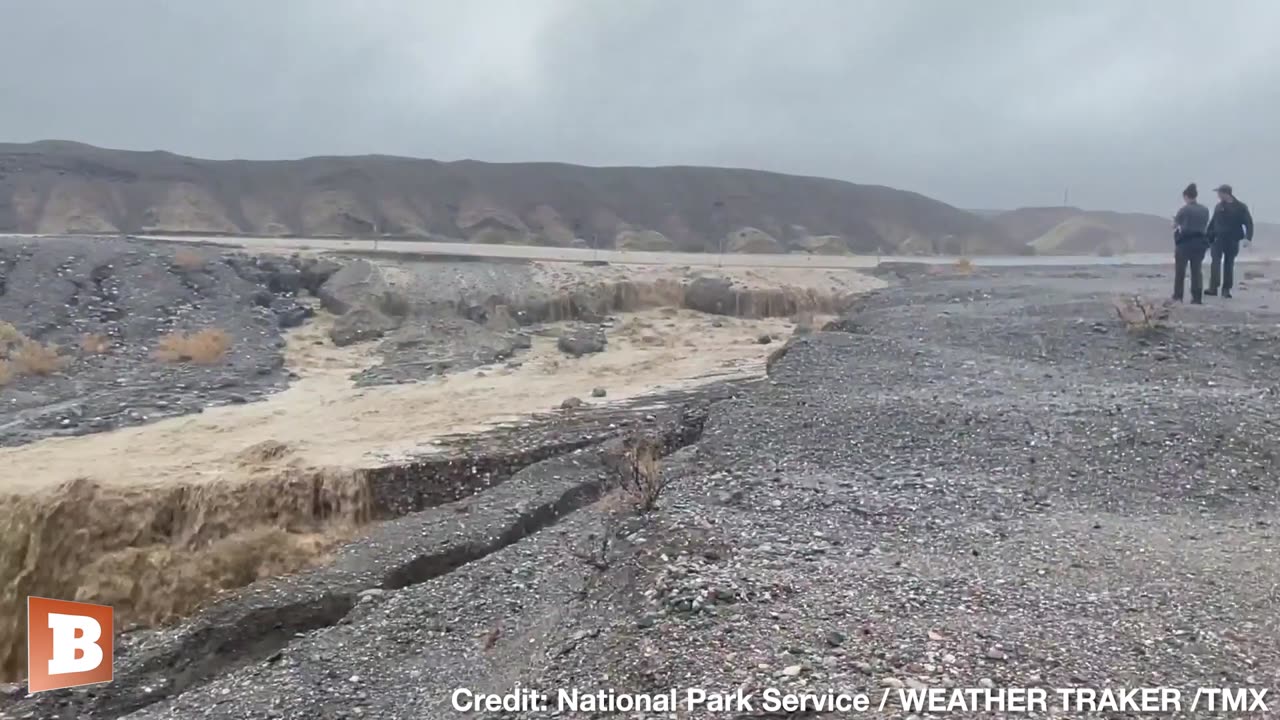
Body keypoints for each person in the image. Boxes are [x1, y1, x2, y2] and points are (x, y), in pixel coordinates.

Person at [1206, 184, 1255, 298]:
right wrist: (1207, 237)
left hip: (1232, 240)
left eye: (1219, 193)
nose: (1218, 195)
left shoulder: (1240, 207)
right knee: (1215, 263)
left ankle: (1226, 289)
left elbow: (1248, 223)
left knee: (1229, 264)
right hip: (1217, 239)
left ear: (1225, 193)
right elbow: (1213, 223)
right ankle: (1213, 288)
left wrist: (1248, 238)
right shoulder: (1218, 206)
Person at [1172, 183, 1210, 303]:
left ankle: (1178, 296)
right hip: (1200, 242)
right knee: (1196, 270)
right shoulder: (1205, 210)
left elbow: (1175, 225)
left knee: (1180, 270)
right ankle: (1197, 297)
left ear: (1186, 196)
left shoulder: (1184, 210)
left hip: (1185, 242)